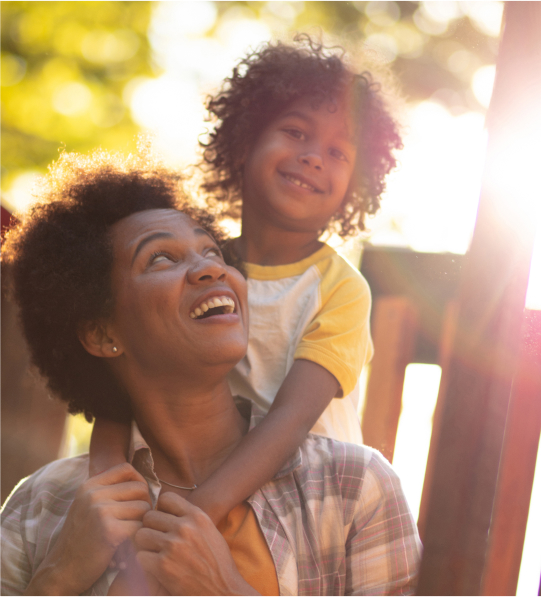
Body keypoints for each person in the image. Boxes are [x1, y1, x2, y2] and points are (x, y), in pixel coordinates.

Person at [1, 149, 421, 596]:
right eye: (161, 258)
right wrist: (58, 576)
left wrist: (227, 589)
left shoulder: (353, 489)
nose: (212, 269)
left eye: (212, 251)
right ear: (103, 335)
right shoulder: (42, 505)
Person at [90, 34, 404, 527]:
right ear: (244, 144)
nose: (315, 156)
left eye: (340, 153)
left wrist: (199, 513)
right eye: (296, 132)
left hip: (306, 501)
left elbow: (291, 420)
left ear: (354, 190)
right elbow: (127, 376)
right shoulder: (197, 270)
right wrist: (105, 475)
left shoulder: (339, 288)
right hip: (187, 479)